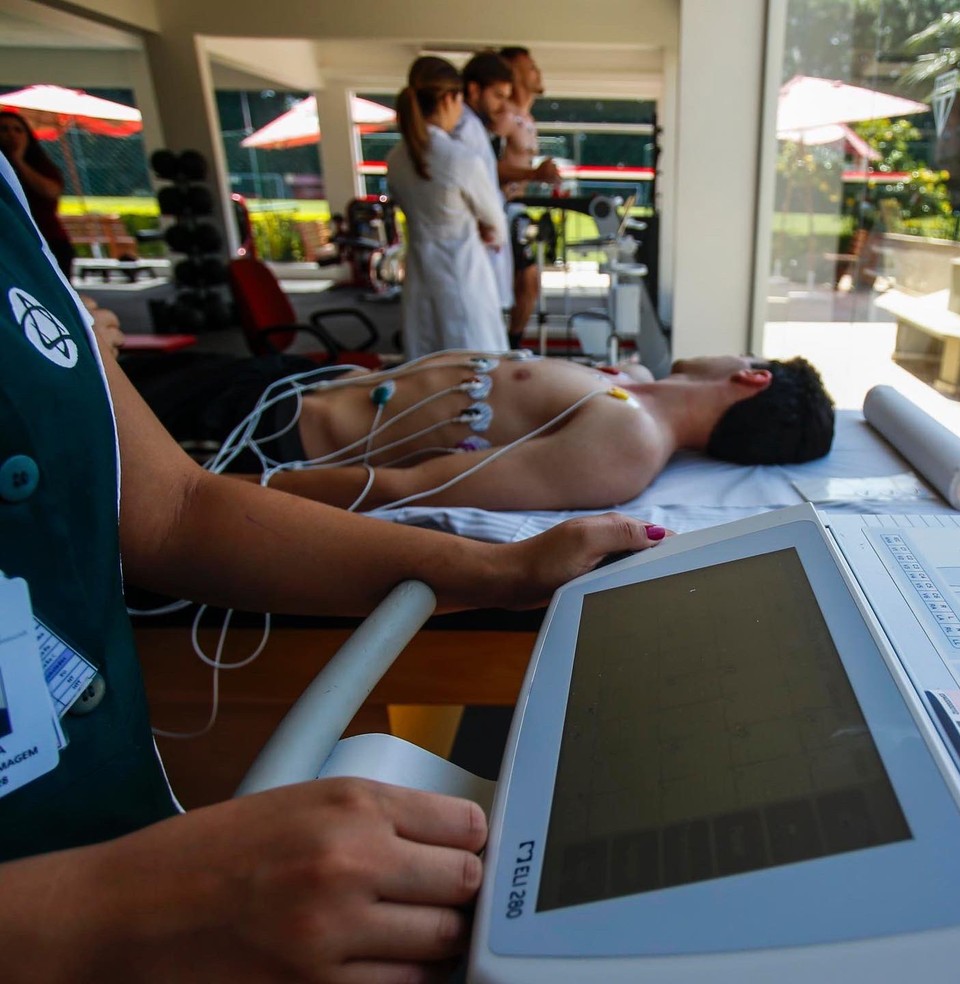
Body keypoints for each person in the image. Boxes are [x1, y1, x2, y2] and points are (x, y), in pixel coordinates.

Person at [0, 155, 666, 980]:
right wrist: (107, 911)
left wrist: (504, 572)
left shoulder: (11, 209)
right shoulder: (627, 398)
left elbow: (174, 508)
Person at [119, 344, 834, 514]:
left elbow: (412, 487)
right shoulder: (630, 385)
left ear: (753, 377)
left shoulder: (630, 447)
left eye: (747, 352)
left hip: (261, 434)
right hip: (289, 382)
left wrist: (207, 496)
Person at [386, 57, 508, 359]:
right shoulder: (461, 159)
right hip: (464, 279)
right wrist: (486, 230)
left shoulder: (396, 159)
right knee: (476, 372)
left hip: (419, 278)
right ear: (450, 99)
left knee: (427, 374)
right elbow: (496, 225)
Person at [497, 47, 561, 349]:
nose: (537, 72)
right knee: (517, 284)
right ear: (513, 73)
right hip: (496, 211)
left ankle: (513, 343)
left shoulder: (528, 119)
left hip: (516, 209)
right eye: (530, 67)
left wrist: (540, 177)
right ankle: (503, 345)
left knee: (529, 284)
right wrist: (534, 174)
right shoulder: (503, 117)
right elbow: (484, 169)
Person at [454, 50, 515, 315]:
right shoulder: (464, 128)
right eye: (497, 96)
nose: (502, 107)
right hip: (475, 240)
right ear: (474, 89)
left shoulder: (474, 127)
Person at [0, 110, 75, 278]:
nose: (11, 134)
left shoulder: (42, 166)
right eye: (4, 129)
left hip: (48, 239)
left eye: (18, 130)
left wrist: (18, 161)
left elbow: (50, 191)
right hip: (10, 243)